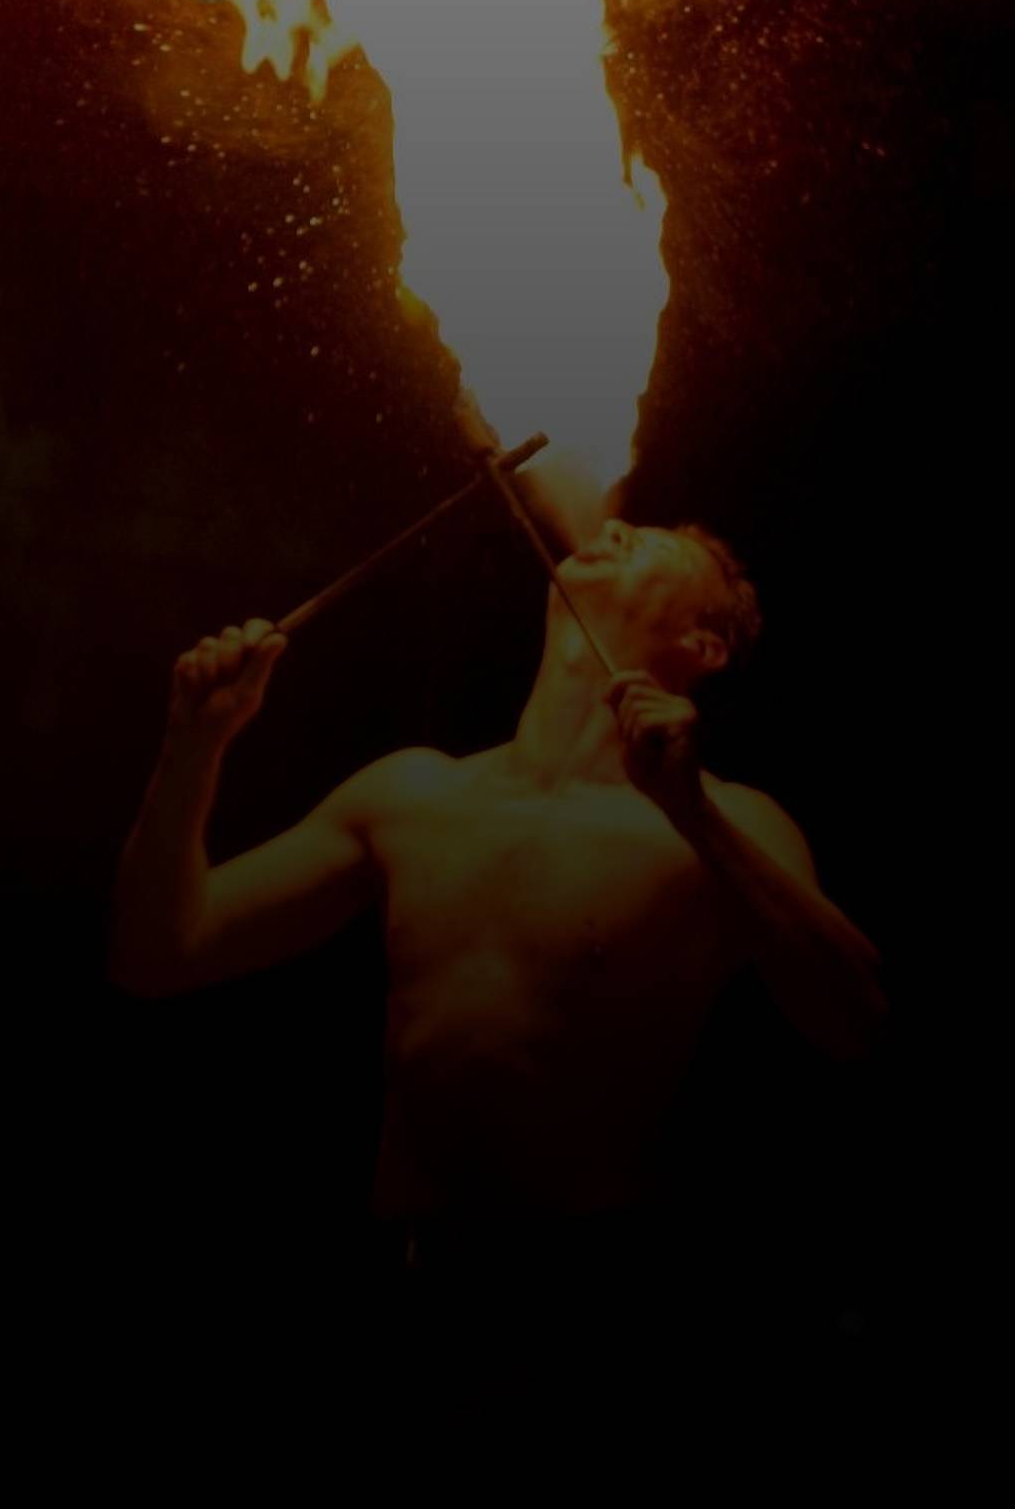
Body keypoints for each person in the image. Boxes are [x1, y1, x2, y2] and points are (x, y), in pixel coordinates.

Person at [112, 507, 885, 1311]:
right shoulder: (412, 793)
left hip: (586, 1284)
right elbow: (157, 954)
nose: (611, 532)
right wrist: (191, 748)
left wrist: (692, 815)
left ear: (703, 645)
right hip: (394, 1275)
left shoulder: (727, 820)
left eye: (650, 544)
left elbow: (857, 1021)